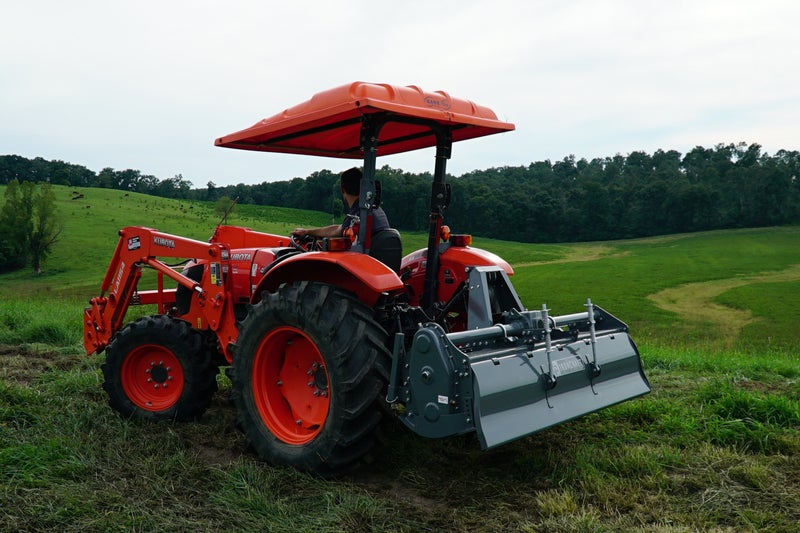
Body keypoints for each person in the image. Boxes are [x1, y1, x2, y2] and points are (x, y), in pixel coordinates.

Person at [292, 167, 389, 243]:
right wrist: (307, 232)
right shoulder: (375, 210)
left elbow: (336, 232)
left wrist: (308, 232)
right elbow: (339, 229)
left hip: (362, 260)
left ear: (342, 189)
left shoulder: (359, 215)